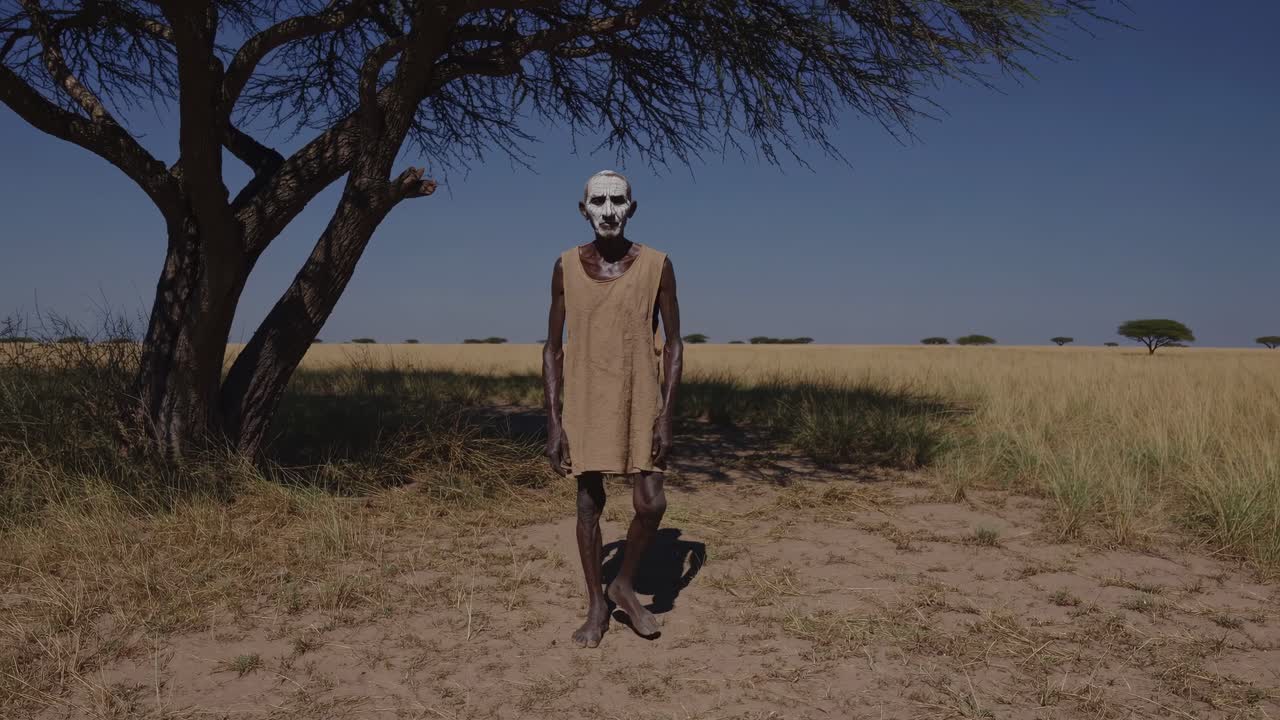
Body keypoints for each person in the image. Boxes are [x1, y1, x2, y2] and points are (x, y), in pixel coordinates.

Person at [542, 170, 683, 648]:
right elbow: (552, 348)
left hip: (639, 395)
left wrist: (665, 413)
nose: (607, 210)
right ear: (583, 209)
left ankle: (623, 582)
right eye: (597, 201)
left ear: (632, 208)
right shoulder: (564, 266)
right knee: (588, 504)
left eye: (617, 201)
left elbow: (676, 343)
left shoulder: (657, 265)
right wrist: (554, 421)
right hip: (584, 398)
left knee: (652, 502)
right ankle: (597, 605)